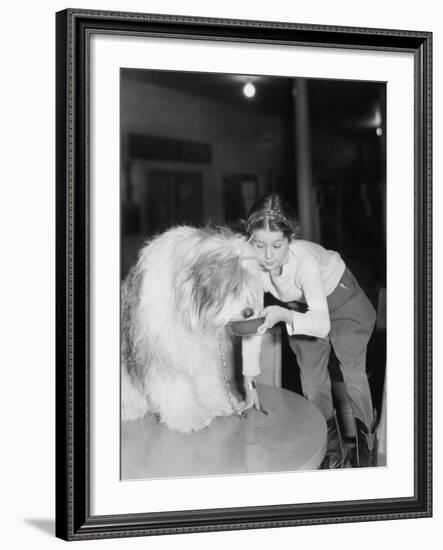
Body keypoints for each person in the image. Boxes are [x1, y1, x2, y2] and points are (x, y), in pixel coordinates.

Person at [240, 193, 378, 468]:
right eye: (259, 245)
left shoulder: (305, 262)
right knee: (313, 384)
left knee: (352, 375)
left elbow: (322, 323)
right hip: (300, 306)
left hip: (341, 297)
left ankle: (365, 449)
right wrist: (249, 379)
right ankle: (332, 451)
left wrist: (284, 314)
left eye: (277, 245)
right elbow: (253, 321)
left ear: (290, 240)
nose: (267, 256)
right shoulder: (252, 264)